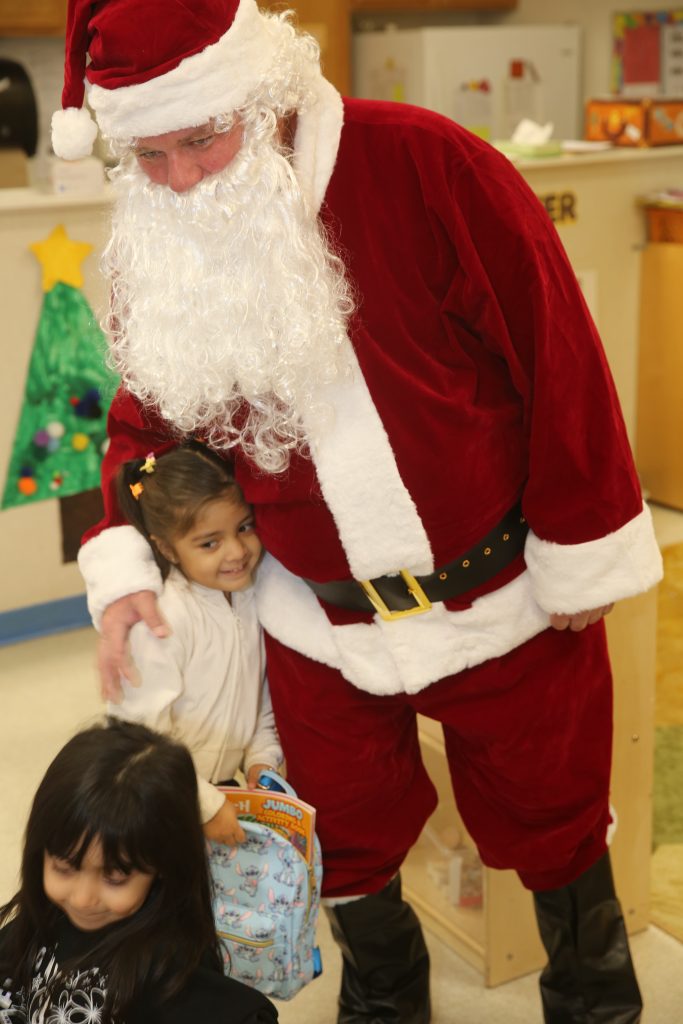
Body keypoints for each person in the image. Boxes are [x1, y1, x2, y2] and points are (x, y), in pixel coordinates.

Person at [52, 2, 663, 1022]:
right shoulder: (159, 236)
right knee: (344, 834)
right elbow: (139, 430)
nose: (182, 178)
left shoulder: (426, 165)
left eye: (201, 137)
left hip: (504, 592)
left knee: (556, 825)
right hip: (313, 621)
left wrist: (578, 549)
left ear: (261, 92)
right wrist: (120, 575)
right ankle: (385, 997)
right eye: (149, 154)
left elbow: (558, 358)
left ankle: (592, 995)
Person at [0, 718, 278, 1024]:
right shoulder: (33, 929)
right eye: (64, 868)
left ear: (164, 866)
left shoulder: (174, 984)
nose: (82, 899)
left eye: (114, 878)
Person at [110, 442, 282, 847]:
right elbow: (139, 735)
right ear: (168, 548)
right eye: (210, 543)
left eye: (243, 527)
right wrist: (203, 804)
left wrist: (262, 757)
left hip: (224, 789)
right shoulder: (163, 619)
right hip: (161, 798)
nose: (237, 551)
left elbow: (259, 695)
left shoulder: (251, 595)